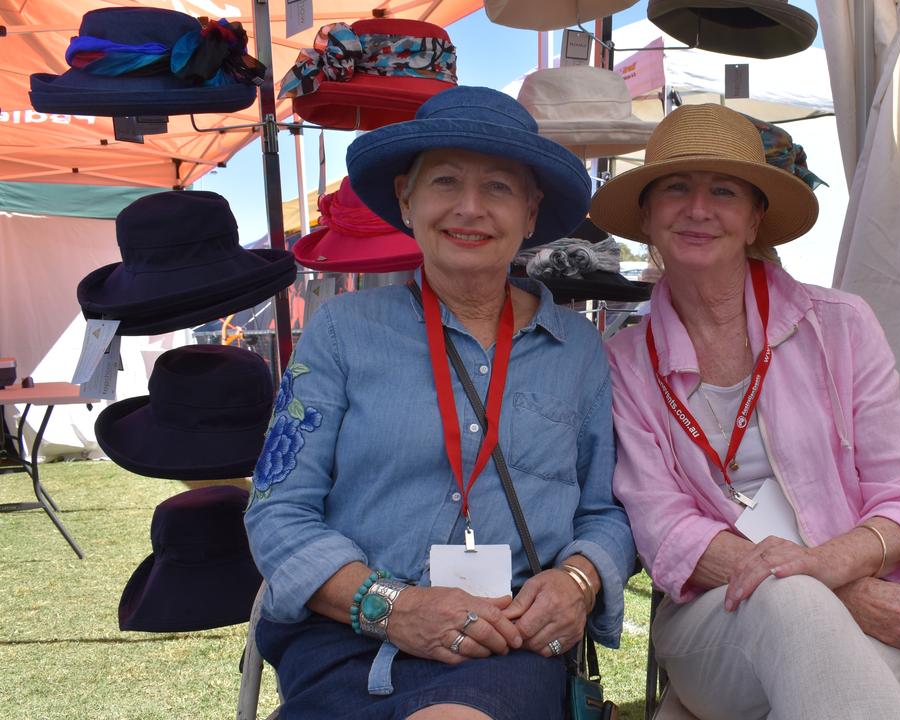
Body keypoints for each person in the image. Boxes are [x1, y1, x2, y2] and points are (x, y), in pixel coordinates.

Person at [244, 86, 634, 720]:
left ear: (531, 212)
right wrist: (392, 607)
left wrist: (578, 581)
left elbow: (607, 512)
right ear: (406, 198)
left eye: (500, 188)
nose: (470, 208)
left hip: (505, 642)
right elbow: (278, 511)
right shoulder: (343, 331)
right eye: (446, 181)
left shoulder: (579, 350)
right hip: (348, 633)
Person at [591, 103, 900, 720]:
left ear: (753, 220)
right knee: (793, 607)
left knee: (868, 668)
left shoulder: (841, 326)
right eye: (674, 189)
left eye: (724, 191)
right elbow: (661, 524)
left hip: (886, 602)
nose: (698, 209)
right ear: (647, 216)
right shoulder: (621, 362)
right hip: (720, 620)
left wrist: (825, 567)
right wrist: (832, 590)